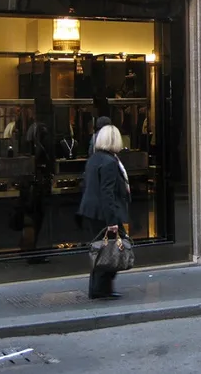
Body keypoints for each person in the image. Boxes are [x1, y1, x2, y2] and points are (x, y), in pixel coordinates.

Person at [78, 125, 131, 299]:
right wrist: (112, 221)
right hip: (103, 213)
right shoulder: (109, 162)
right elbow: (107, 193)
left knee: (102, 249)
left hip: (92, 211)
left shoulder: (94, 159)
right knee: (109, 249)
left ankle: (99, 288)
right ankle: (100, 289)